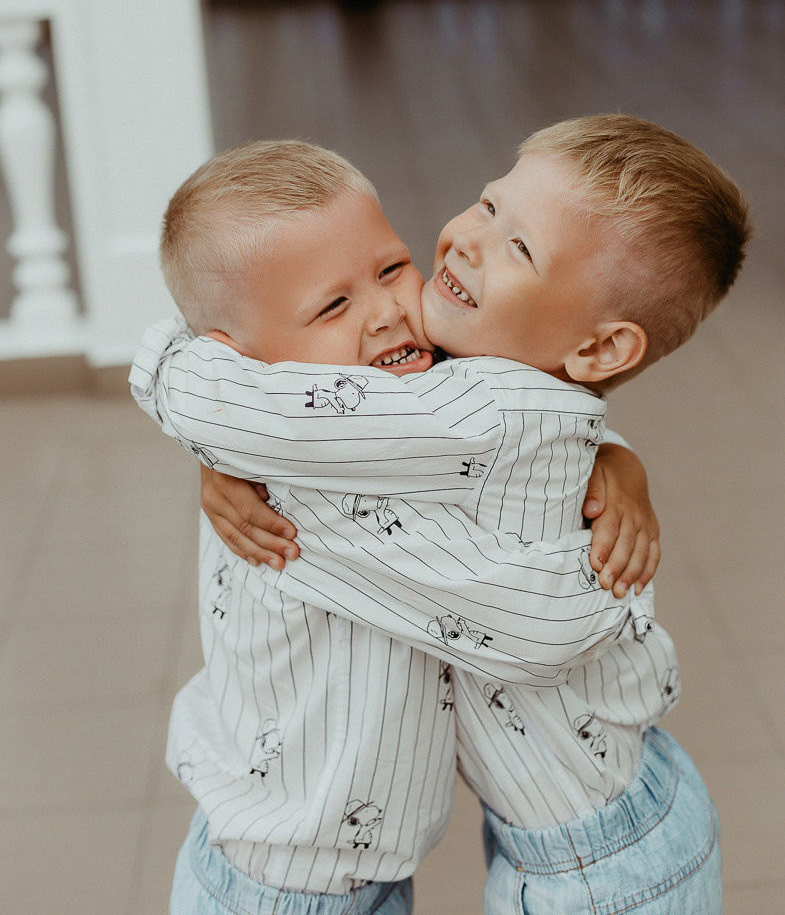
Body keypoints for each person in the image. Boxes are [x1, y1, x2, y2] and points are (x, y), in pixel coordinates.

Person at [131, 117, 750, 915]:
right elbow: (291, 422)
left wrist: (187, 390)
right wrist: (225, 460)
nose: (462, 246)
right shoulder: (416, 397)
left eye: (392, 267)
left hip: (600, 867)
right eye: (489, 206)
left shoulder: (455, 412)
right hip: (294, 874)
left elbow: (246, 409)